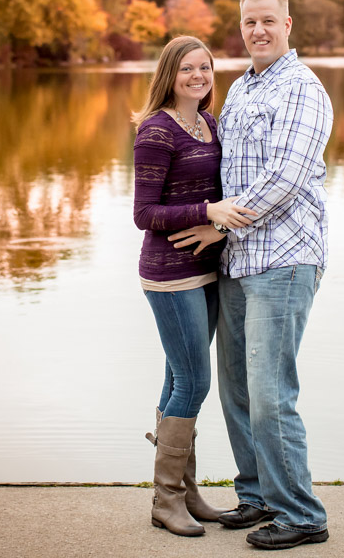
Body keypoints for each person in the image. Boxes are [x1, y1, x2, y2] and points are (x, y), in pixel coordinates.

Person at [173, 0, 334, 550]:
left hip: (285, 259)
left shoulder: (302, 89)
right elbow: (219, 169)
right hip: (238, 261)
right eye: (249, 23)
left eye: (268, 21)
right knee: (237, 389)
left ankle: (302, 513)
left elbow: (287, 178)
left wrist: (218, 223)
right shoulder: (240, 89)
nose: (258, 31)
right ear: (240, 28)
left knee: (270, 393)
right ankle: (259, 496)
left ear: (288, 24)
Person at [132, 36, 257, 537]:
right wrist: (207, 211)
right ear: (170, 73)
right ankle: (166, 501)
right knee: (194, 381)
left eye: (205, 68)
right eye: (187, 69)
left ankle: (182, 495)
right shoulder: (156, 131)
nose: (199, 76)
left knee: (176, 379)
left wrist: (219, 227)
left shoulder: (207, 122)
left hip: (207, 269)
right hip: (170, 274)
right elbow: (144, 214)